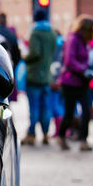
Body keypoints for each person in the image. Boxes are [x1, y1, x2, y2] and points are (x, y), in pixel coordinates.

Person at [58, 15, 93, 151]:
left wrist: (88, 70)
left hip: (82, 82)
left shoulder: (84, 41)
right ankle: (61, 135)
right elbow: (69, 61)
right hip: (70, 82)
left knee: (86, 111)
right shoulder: (73, 39)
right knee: (69, 113)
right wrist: (83, 70)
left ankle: (83, 140)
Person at [21, 10, 57, 146]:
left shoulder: (35, 33)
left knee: (34, 107)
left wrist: (24, 57)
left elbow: (35, 53)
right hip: (47, 76)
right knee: (45, 107)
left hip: (34, 75)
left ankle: (31, 134)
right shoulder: (52, 32)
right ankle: (46, 133)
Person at [0, 13, 21, 102]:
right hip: (9, 70)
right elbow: (17, 55)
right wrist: (13, 66)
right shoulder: (12, 34)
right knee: (7, 100)